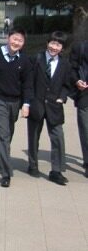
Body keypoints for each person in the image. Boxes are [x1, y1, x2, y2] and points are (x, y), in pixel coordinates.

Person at [0, 28, 33, 188]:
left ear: (23, 44)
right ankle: (6, 173)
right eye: (14, 39)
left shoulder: (24, 60)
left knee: (7, 134)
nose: (16, 43)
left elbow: (28, 84)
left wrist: (26, 104)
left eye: (20, 41)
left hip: (14, 103)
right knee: (3, 136)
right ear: (8, 38)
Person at [27, 31, 71, 184]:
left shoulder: (65, 63)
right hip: (36, 104)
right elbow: (28, 82)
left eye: (58, 45)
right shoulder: (36, 59)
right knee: (33, 136)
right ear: (47, 43)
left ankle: (56, 171)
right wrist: (28, 101)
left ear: (62, 48)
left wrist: (62, 98)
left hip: (54, 106)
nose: (54, 47)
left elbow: (67, 84)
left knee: (58, 137)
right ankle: (32, 165)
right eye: (52, 43)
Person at [70, 36, 88, 177]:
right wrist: (77, 81)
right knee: (86, 130)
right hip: (84, 95)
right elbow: (72, 68)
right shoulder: (80, 47)